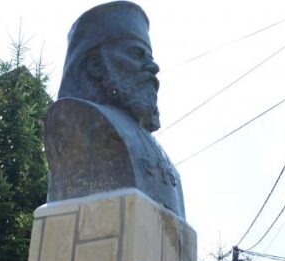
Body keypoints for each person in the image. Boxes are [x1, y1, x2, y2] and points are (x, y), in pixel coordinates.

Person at [45, 1, 185, 218]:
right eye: (136, 53)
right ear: (96, 66)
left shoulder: (155, 148)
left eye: (150, 57)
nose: (153, 67)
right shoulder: (79, 120)